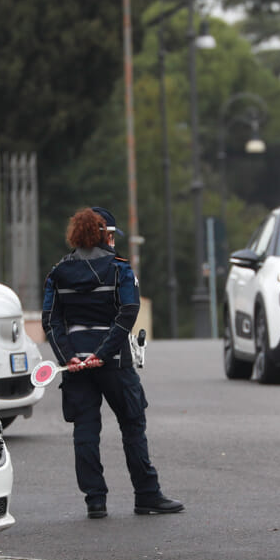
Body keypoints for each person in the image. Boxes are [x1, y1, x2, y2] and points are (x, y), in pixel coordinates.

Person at [41, 206, 183, 519]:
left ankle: (95, 500)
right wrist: (103, 354)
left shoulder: (58, 271)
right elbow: (128, 312)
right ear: (104, 234)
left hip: (75, 366)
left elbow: (51, 321)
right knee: (132, 424)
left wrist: (70, 357)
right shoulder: (119, 268)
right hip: (114, 362)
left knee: (85, 429)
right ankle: (147, 495)